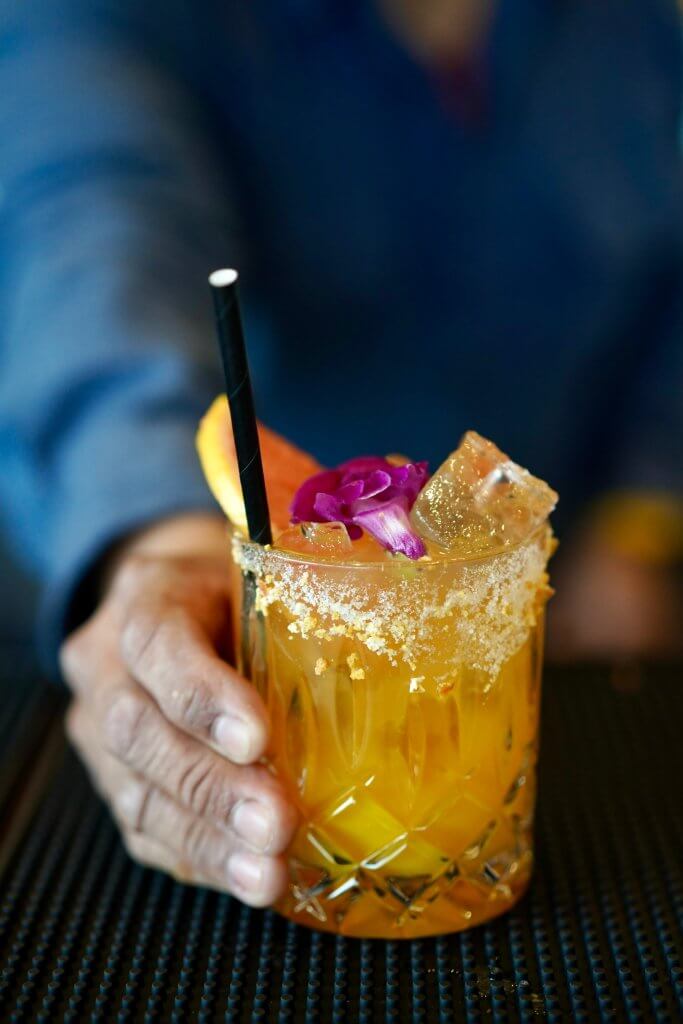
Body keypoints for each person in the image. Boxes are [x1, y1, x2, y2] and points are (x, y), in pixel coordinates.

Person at [0, 0, 681, 907]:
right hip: (250, 640)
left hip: (558, 641)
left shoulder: (632, 30)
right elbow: (91, 232)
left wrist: (637, 527)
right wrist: (162, 542)